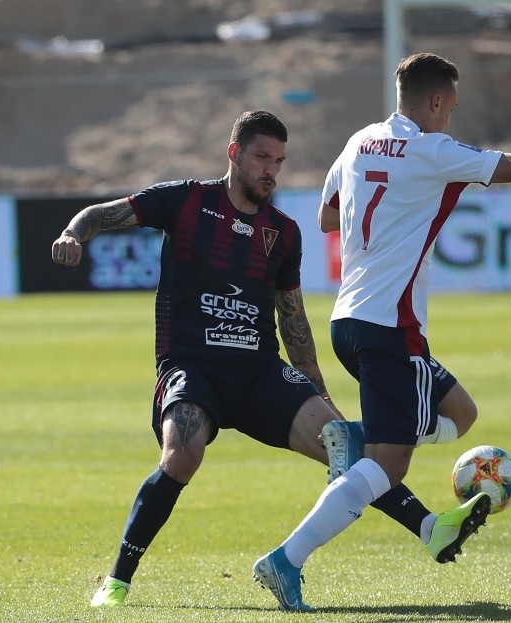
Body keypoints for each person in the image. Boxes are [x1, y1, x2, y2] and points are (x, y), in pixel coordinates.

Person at [251, 52, 511, 611]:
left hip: (350, 318)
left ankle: (370, 436)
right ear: (437, 101)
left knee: (461, 413)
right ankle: (286, 560)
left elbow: (326, 217)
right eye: (451, 108)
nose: (450, 119)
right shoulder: (431, 149)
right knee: (386, 465)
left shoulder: (357, 143)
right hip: (388, 325)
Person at [50, 110, 443, 609]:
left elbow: (293, 322)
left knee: (342, 446)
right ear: (234, 153)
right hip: (192, 366)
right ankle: (117, 581)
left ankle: (429, 527)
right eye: (262, 157)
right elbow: (102, 214)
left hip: (259, 371)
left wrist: (319, 392)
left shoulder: (283, 231)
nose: (271, 170)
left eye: (279, 161)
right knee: (183, 454)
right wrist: (71, 234)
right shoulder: (187, 200)